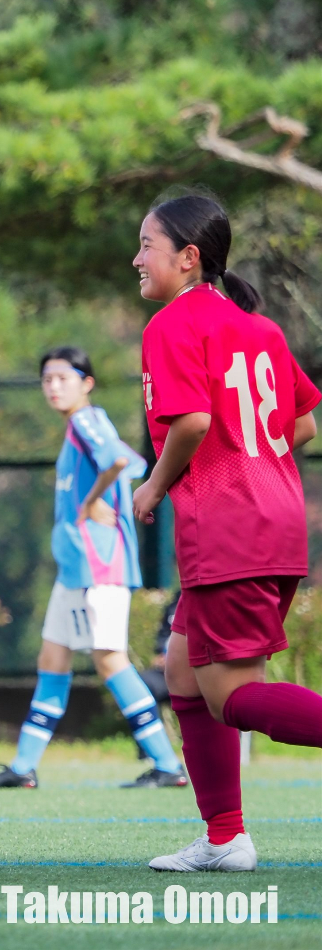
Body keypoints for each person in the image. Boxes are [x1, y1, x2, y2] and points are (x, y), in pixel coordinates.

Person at [131, 192, 322, 872]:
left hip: (230, 529)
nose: (136, 259)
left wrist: (153, 486)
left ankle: (226, 836)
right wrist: (252, 464)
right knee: (183, 668)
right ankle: (224, 837)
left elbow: (192, 424)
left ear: (187, 258)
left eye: (146, 245)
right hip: (276, 520)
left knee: (230, 696)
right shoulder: (256, 326)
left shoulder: (172, 324)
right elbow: (303, 423)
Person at [0, 348, 186, 789]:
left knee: (110, 662)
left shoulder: (87, 419)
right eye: (47, 378)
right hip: (75, 570)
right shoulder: (80, 427)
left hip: (98, 568)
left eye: (63, 378)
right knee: (52, 659)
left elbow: (120, 463)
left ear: (86, 382)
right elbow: (137, 462)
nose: (53, 386)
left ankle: (167, 765)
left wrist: (92, 502)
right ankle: (24, 766)